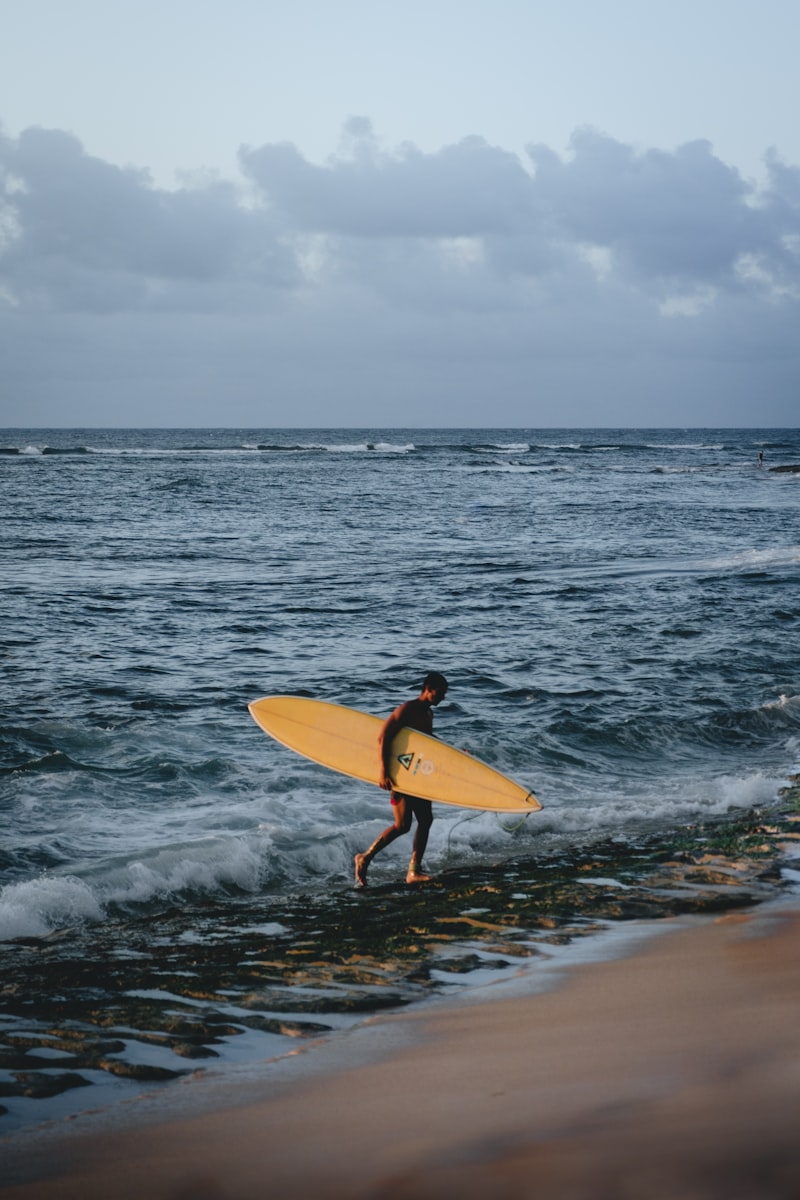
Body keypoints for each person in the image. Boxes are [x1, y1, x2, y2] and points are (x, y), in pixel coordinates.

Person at [354, 672, 449, 888]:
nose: (443, 698)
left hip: (415, 775)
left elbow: (427, 743)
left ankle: (411, 870)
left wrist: (455, 755)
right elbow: (383, 737)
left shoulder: (428, 714)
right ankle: (366, 859)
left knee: (418, 822)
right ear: (428, 688)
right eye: (440, 693)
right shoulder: (408, 709)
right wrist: (384, 772)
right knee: (403, 824)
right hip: (400, 776)